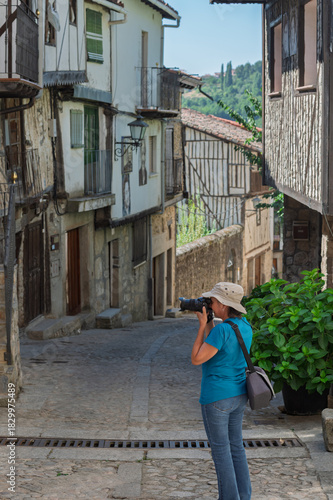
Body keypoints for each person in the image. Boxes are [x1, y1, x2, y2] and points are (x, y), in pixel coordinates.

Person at [191, 282, 252, 500]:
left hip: (216, 398)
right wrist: (208, 324)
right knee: (236, 447)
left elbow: (197, 358)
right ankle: (244, 496)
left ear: (224, 305)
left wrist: (200, 327)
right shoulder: (244, 326)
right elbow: (218, 347)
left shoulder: (223, 330)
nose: (210, 304)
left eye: (213, 301)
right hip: (238, 395)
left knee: (221, 452)